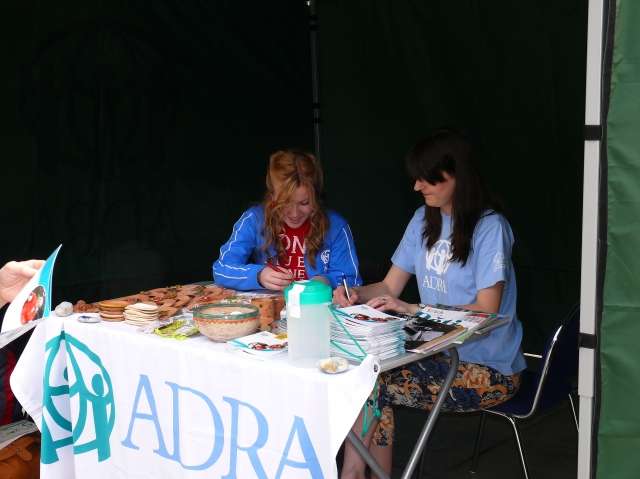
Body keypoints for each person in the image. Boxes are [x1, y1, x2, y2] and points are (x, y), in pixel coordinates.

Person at [334, 129, 525, 478]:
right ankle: (359, 473)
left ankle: (352, 473)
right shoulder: (424, 218)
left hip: (489, 370)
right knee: (367, 375)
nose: (417, 186)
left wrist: (413, 309)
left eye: (427, 178)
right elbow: (389, 285)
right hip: (434, 355)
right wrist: (355, 294)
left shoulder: (490, 228)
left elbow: (487, 310)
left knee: (372, 384)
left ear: (457, 175)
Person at [213, 149, 361, 291]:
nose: (294, 214)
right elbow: (221, 269)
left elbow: (352, 280)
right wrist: (258, 276)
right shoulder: (254, 220)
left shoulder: (335, 226)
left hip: (315, 306)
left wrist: (326, 281)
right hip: (269, 306)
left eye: (304, 203)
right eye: (284, 203)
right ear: (272, 196)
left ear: (316, 197)